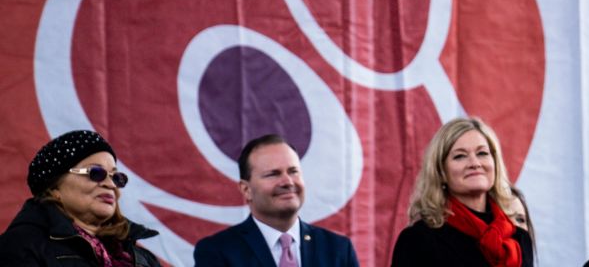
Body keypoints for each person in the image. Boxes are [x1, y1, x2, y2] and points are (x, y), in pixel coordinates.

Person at [0, 129, 163, 266]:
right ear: (55, 188)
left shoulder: (141, 257)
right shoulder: (19, 247)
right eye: (96, 173)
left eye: (115, 177)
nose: (110, 184)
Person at [193, 134, 359, 266]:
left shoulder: (338, 249)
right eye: (273, 174)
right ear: (246, 189)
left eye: (293, 171)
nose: (288, 182)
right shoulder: (217, 252)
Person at [391, 117, 532, 267]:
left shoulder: (519, 237)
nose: (475, 163)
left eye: (482, 153)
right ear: (441, 172)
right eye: (460, 156)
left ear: (495, 163)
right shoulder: (418, 240)